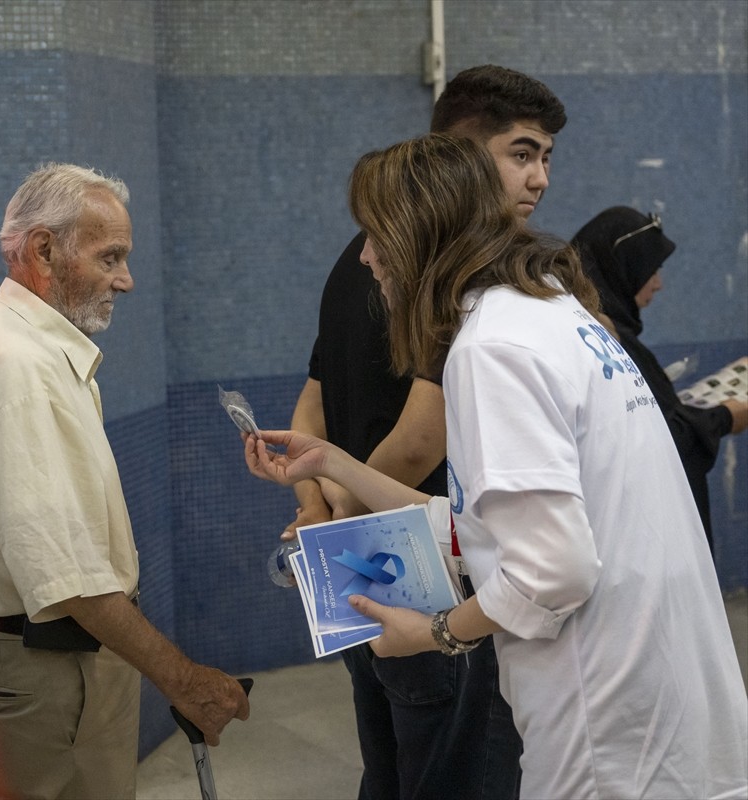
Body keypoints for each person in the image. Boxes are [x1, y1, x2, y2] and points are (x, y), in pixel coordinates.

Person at [247, 135, 748, 799]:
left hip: (606, 727)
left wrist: (434, 634)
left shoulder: (492, 349)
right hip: (660, 694)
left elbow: (553, 572)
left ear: (417, 237)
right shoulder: (551, 310)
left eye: (373, 236)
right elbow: (492, 529)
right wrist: (336, 463)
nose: (365, 257)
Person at [0, 163, 249, 798]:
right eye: (110, 257)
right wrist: (182, 678)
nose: (127, 280)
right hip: (47, 665)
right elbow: (66, 579)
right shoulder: (20, 369)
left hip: (31, 653)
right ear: (42, 250)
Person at [288, 64, 565, 799]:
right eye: (521, 153)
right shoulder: (460, 284)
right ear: (463, 157)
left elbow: (309, 404)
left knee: (387, 752)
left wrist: (322, 513)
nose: (538, 179)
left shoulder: (359, 253)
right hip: (422, 557)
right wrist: (340, 508)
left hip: (362, 542)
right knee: (449, 755)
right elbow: (418, 441)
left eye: (544, 158)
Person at [572, 206, 748, 548]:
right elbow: (661, 443)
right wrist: (726, 416)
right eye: (652, 269)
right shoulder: (606, 340)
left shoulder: (604, 332)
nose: (659, 283)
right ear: (625, 269)